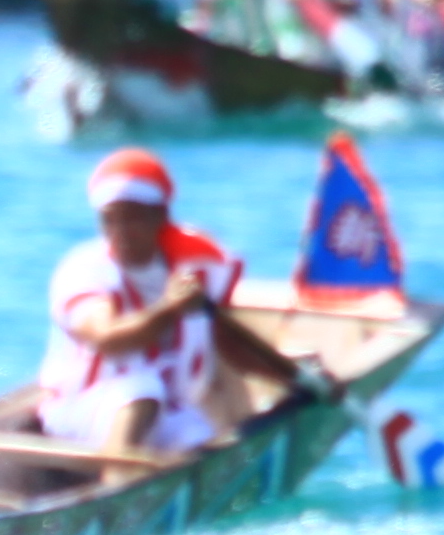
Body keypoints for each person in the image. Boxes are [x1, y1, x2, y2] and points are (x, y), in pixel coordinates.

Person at [34, 148, 275, 457]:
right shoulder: (84, 269)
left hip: (160, 405)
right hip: (76, 408)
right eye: (109, 220)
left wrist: (292, 380)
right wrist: (169, 308)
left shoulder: (191, 269)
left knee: (198, 437)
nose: (119, 232)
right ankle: (116, 491)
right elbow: (106, 338)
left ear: (160, 216)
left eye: (131, 218)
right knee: (141, 390)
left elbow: (226, 342)